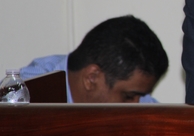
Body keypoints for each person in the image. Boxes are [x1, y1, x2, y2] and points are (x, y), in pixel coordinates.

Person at [20, 15, 169, 103]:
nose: (136, 106)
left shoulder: (137, 96)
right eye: (128, 97)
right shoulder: (25, 96)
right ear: (91, 78)